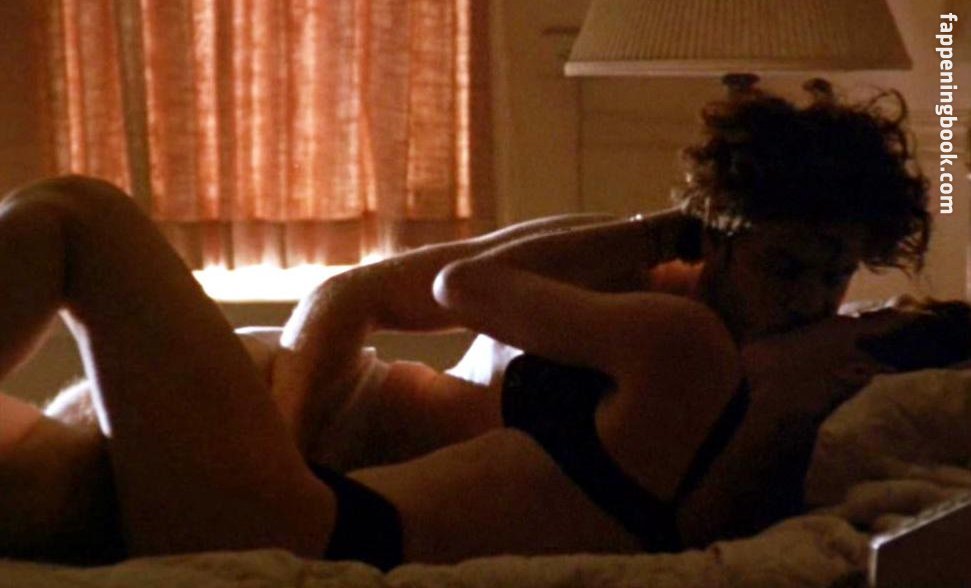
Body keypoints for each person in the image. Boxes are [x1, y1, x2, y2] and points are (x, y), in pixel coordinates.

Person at [0, 77, 937, 568]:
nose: (811, 297)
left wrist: (806, 387)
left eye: (835, 274)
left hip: (307, 515)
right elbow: (417, 289)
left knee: (76, 215)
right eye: (786, 266)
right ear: (720, 238)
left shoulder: (715, 367)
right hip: (284, 467)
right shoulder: (672, 326)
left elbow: (465, 289)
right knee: (30, 487)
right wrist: (668, 234)